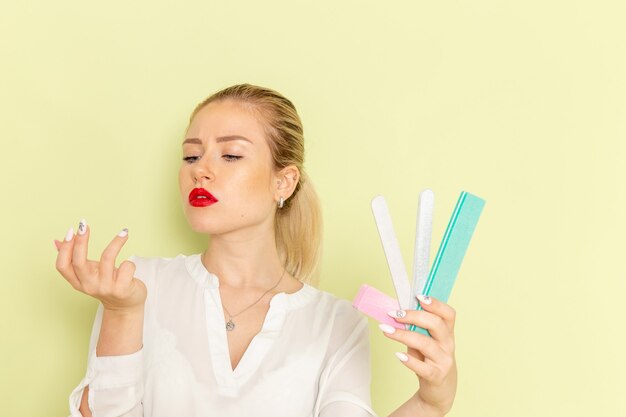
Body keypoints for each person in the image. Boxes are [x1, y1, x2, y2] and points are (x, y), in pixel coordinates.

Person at [54, 84, 458, 417]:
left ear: (284, 182)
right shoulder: (137, 285)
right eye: (191, 155)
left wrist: (430, 402)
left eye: (230, 155)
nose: (201, 169)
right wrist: (122, 312)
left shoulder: (335, 323)